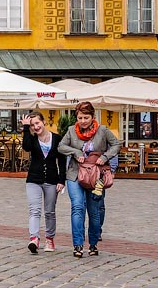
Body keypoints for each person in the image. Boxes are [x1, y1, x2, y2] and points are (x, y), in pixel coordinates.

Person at [58, 101, 119, 258]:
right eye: (80, 117)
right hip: (75, 174)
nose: (83, 121)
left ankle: (93, 243)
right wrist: (74, 151)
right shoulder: (71, 130)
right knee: (77, 207)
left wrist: (105, 157)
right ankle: (77, 245)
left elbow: (116, 145)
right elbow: (61, 146)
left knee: (94, 210)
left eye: (86, 117)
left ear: (93, 116)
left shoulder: (103, 130)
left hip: (96, 176)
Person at [20, 111, 66, 253]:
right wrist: (26, 129)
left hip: (52, 179)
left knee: (50, 212)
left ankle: (50, 240)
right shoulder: (32, 139)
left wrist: (61, 180)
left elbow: (62, 160)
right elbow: (26, 147)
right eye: (33, 125)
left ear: (43, 122)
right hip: (34, 179)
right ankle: (34, 238)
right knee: (34, 210)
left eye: (37, 123)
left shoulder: (57, 138)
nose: (36, 126)